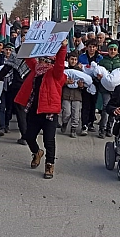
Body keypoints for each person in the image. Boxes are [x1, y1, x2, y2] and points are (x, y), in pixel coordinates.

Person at [14, 40, 68, 179]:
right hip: (34, 109)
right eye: (42, 59)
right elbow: (27, 57)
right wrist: (28, 43)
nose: (44, 62)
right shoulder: (36, 70)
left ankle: (49, 165)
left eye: (48, 60)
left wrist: (62, 47)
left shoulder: (56, 74)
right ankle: (37, 152)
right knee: (29, 136)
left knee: (49, 140)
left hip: (49, 112)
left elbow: (60, 63)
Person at [97, 42, 120, 138]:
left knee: (114, 108)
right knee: (105, 107)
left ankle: (110, 128)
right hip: (105, 89)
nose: (112, 51)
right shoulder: (103, 61)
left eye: (114, 49)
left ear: (117, 51)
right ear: (108, 50)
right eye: (110, 49)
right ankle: (102, 129)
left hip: (117, 89)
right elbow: (98, 71)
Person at [78, 39, 103, 133]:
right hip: (85, 84)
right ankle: (84, 124)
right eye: (90, 47)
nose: (92, 49)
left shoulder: (100, 58)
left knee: (93, 104)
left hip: (96, 83)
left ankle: (91, 122)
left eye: (94, 47)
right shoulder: (82, 57)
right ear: (87, 47)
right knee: (85, 104)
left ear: (96, 48)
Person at [62, 51, 86, 138]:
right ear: (68, 60)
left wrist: (81, 86)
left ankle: (73, 129)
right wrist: (65, 82)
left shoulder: (80, 71)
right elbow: (59, 82)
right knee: (66, 112)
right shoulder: (64, 70)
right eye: (72, 59)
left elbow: (84, 82)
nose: (73, 61)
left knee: (76, 114)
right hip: (66, 94)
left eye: (75, 59)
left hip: (77, 95)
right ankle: (64, 123)